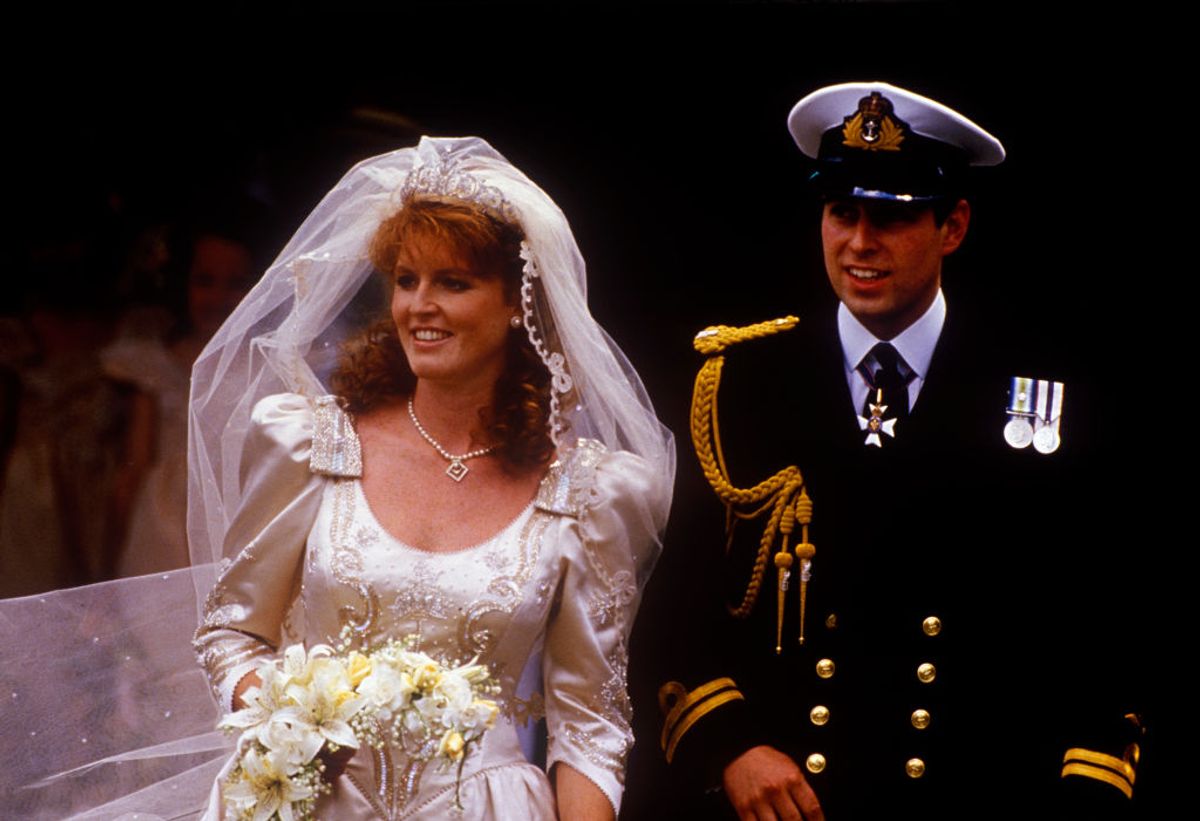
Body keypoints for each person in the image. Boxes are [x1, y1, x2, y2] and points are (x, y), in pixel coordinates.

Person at [638, 83, 1146, 819]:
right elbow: (672, 608)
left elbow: (1105, 620)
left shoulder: (1046, 391)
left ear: (954, 225)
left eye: (894, 216)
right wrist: (733, 744)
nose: (860, 242)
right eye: (842, 212)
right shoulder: (740, 383)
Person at [188, 136, 674, 819]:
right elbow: (231, 633)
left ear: (517, 301)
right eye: (407, 279)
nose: (420, 305)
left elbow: (588, 723)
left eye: (454, 282)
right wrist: (289, 711)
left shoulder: (587, 492)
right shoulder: (312, 444)